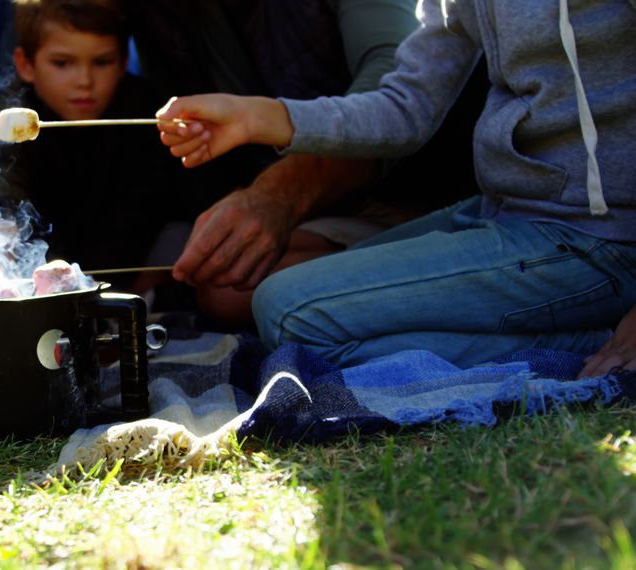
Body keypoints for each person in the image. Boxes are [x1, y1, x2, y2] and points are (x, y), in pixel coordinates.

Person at [156, 0, 636, 371]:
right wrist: (259, 116)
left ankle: (595, 341)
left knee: (290, 312)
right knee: (279, 306)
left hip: (598, 237)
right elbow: (408, 107)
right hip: (502, 213)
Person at [125, 0, 487, 327]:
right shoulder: (161, 15)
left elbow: (401, 93)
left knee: (251, 295)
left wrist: (279, 192)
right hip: (327, 211)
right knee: (222, 280)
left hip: (429, 194)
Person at [0, 0, 185, 291]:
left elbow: (138, 213)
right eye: (62, 63)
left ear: (122, 63)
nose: (84, 81)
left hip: (130, 259)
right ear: (25, 65)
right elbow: (0, 189)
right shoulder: (13, 118)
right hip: (45, 267)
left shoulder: (146, 113)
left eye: (102, 62)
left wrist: (90, 286)